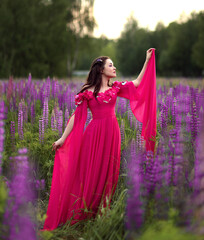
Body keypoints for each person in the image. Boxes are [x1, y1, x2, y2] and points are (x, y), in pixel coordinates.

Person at [43, 48, 157, 231]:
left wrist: (147, 60)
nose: (114, 67)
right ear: (101, 70)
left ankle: (100, 215)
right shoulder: (88, 91)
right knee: (91, 172)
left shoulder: (115, 88)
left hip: (112, 134)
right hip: (94, 135)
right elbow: (75, 116)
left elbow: (136, 82)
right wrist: (63, 138)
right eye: (110, 65)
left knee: (108, 172)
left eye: (113, 65)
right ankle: (83, 215)